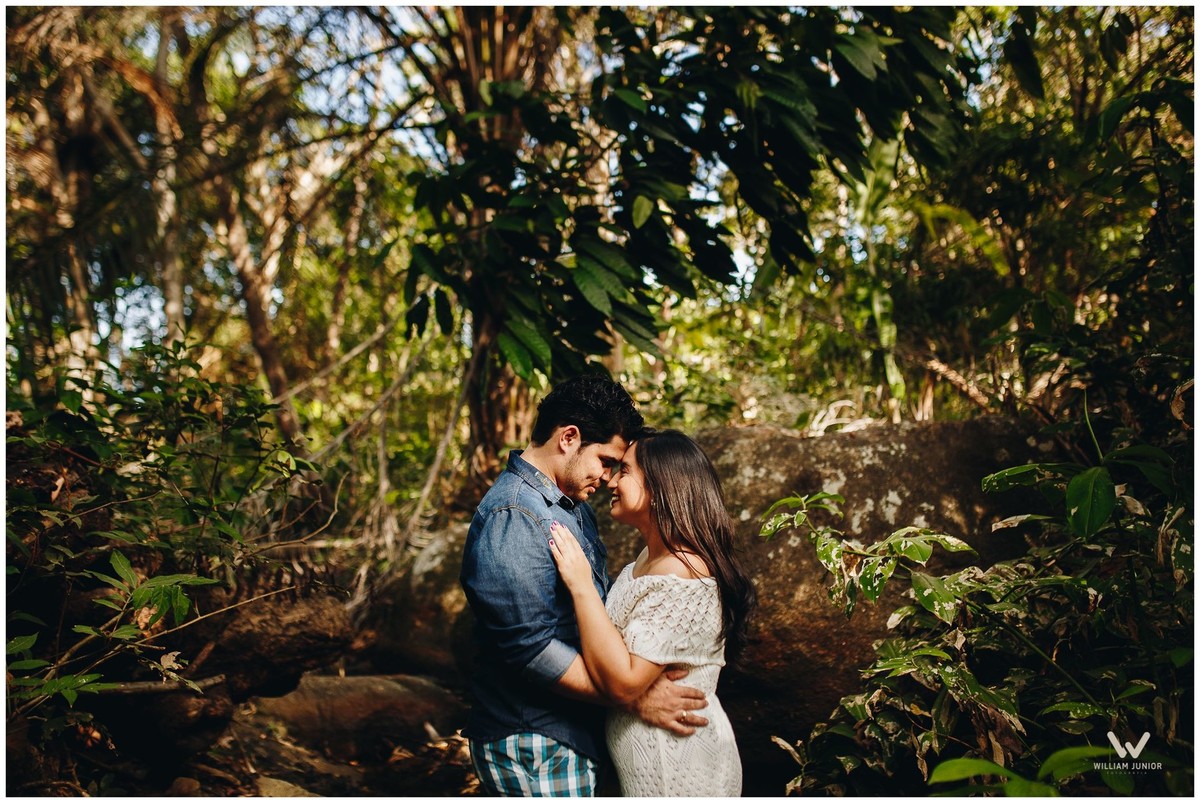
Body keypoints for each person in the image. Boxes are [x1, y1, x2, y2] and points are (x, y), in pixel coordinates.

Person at [460, 377, 712, 797]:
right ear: (569, 438)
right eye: (606, 460)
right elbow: (530, 648)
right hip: (534, 738)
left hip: (569, 734)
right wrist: (631, 697)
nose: (609, 477)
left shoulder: (568, 504)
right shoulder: (514, 514)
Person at [548, 428, 756, 796]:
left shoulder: (683, 573)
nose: (610, 479)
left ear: (660, 489)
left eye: (625, 471)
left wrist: (581, 585)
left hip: (678, 768)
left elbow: (624, 681)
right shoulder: (649, 560)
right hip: (655, 763)